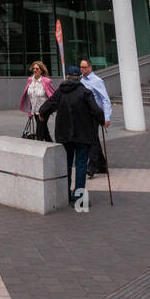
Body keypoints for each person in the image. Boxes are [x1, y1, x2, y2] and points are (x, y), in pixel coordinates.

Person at [37, 71, 105, 205]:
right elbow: (96, 110)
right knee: (80, 165)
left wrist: (42, 113)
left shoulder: (60, 92)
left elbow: (48, 105)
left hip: (64, 135)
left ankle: (65, 194)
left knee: (66, 164)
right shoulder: (85, 92)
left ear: (67, 77)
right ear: (79, 78)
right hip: (83, 134)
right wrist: (102, 120)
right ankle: (79, 198)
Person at [78, 60, 110, 177]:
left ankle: (92, 167)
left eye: (85, 67)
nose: (83, 69)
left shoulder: (97, 81)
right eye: (81, 67)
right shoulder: (80, 80)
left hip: (94, 114)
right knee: (93, 139)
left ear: (90, 67)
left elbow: (105, 99)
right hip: (83, 115)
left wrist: (106, 117)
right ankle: (102, 164)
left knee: (92, 139)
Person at [19, 61, 54, 140]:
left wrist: (45, 110)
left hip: (44, 111)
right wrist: (30, 111)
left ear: (41, 70)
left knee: (39, 134)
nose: (35, 70)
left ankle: (38, 149)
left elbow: (52, 97)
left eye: (37, 69)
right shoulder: (30, 80)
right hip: (35, 111)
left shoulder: (46, 81)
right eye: (33, 68)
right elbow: (31, 97)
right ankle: (51, 145)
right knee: (44, 131)